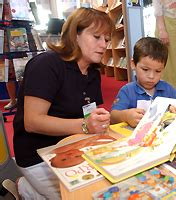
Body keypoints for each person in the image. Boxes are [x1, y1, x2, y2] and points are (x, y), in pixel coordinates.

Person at [13, 7, 114, 199]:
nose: (103, 45)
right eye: (96, 37)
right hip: (37, 154)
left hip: (74, 144)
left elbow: (90, 112)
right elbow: (32, 122)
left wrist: (108, 118)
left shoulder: (92, 72)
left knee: (107, 183)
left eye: (107, 39)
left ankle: (34, 188)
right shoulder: (46, 65)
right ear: (75, 35)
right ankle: (27, 189)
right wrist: (85, 125)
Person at [110, 37, 176, 128]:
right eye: (145, 69)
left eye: (158, 71)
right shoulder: (127, 91)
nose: (151, 76)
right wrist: (126, 116)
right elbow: (112, 116)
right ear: (133, 64)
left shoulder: (166, 88)